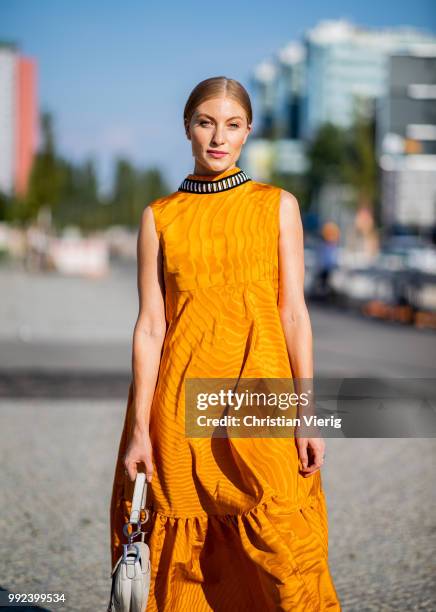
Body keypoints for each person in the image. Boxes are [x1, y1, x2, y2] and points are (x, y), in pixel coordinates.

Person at [109, 76, 341, 611]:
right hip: (178, 409)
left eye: (232, 125)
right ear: (187, 129)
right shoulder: (159, 218)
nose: (219, 137)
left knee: (282, 540)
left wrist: (307, 414)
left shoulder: (277, 206)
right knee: (188, 566)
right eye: (206, 123)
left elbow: (294, 314)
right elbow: (150, 327)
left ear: (248, 132)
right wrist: (139, 431)